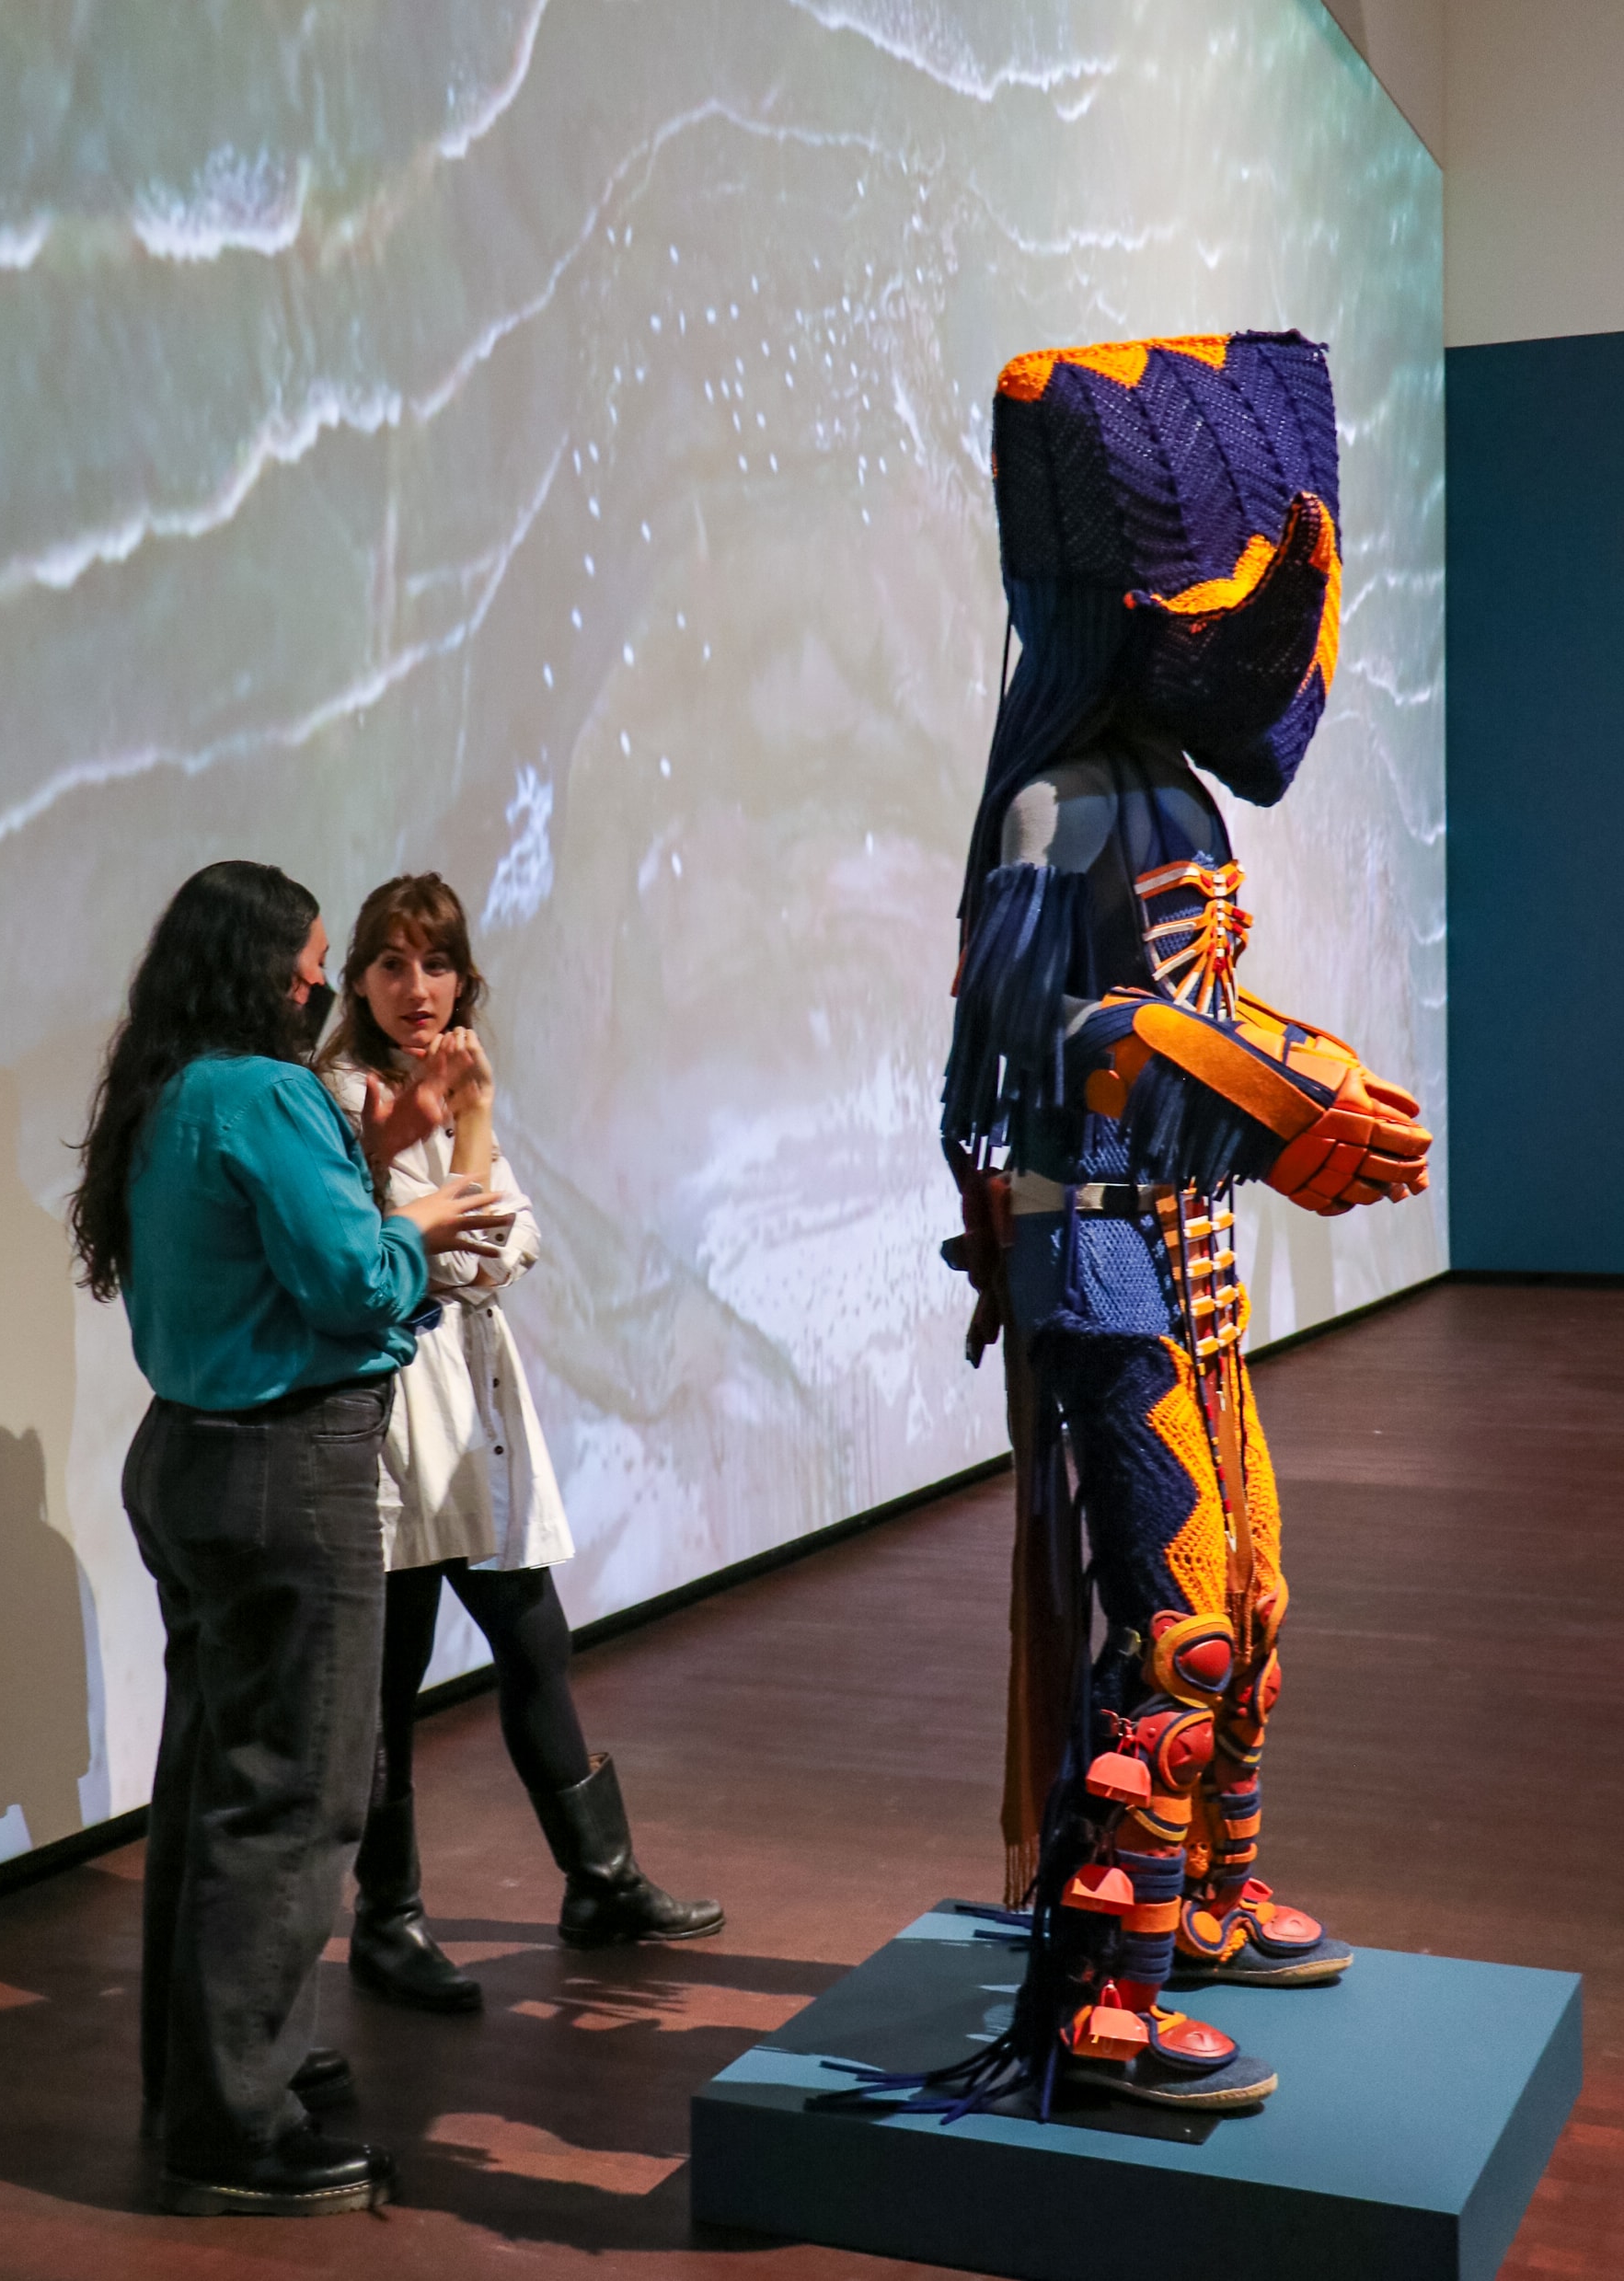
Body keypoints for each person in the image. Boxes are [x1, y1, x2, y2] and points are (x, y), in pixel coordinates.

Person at [877, 332, 1431, 2121]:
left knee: (1244, 1597)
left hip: (1177, 1252)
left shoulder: (1156, 790)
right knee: (1173, 1625)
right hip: (1106, 1259)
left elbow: (1155, 1017)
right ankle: (1102, 2009)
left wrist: (1277, 1080)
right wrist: (1269, 1094)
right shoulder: (1055, 808)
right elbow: (1044, 1044)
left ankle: (1200, 1900)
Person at [69, 859, 505, 2215]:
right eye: (312, 966)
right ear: (258, 968)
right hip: (283, 1471)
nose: (320, 988)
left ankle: (207, 2078)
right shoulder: (263, 1091)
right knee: (297, 1794)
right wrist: (416, 1218)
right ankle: (236, 2124)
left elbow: (261, 1245)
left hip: (190, 1458)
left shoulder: (170, 1091)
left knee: (215, 1783)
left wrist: (371, 1162)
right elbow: (350, 1280)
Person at [317, 871, 722, 2012]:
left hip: (475, 1413)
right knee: (389, 1682)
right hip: (396, 1418)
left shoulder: (453, 1087)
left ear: (465, 979)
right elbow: (445, 1252)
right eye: (392, 964)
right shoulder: (341, 1097)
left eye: (437, 964)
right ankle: (388, 1921)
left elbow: (502, 1244)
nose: (417, 987)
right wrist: (464, 1190)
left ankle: (601, 1880)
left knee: (535, 1641)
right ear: (357, 981)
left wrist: (478, 1117)